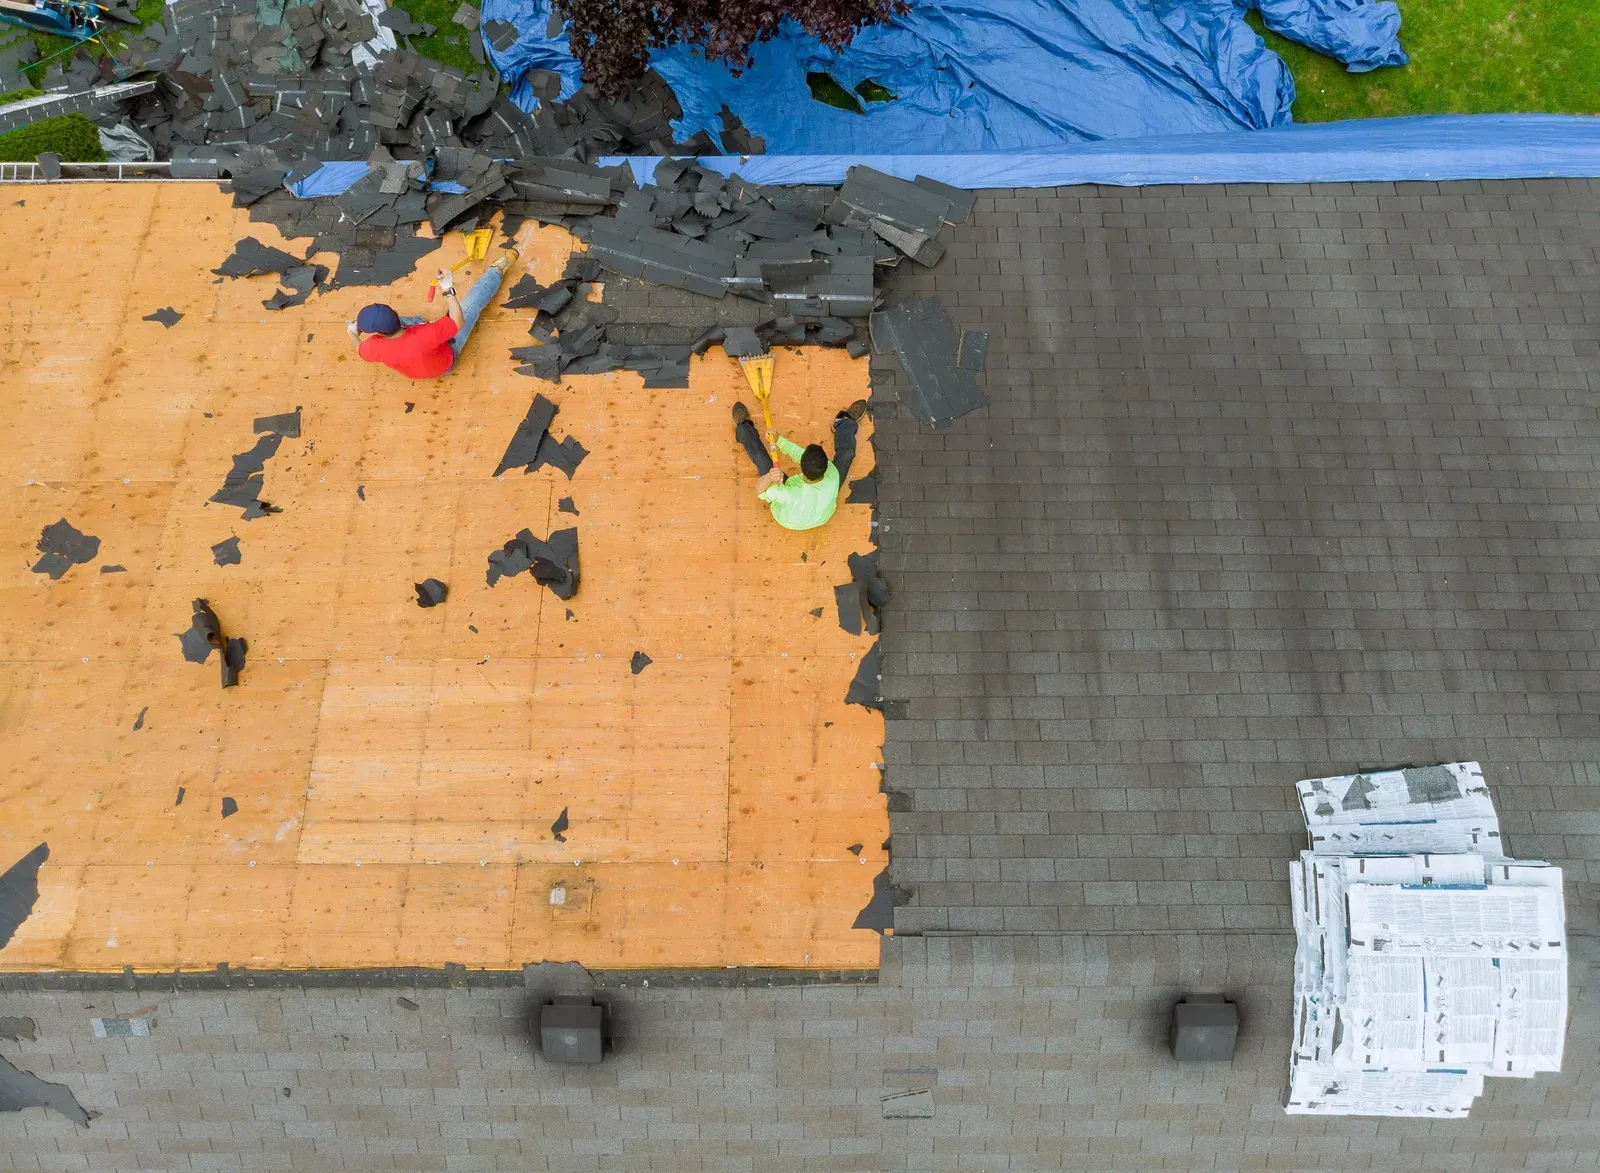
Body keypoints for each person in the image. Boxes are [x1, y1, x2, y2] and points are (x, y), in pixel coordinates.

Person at [349, 242, 519, 378]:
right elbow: (458, 322)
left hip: (419, 369)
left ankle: (418, 321)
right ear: (394, 314)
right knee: (469, 309)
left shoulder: (375, 347)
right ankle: (496, 270)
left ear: (379, 334)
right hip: (445, 361)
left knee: (422, 325)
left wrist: (351, 332)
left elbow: (359, 349)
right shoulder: (427, 335)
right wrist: (448, 289)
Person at [732, 399, 869, 531]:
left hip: (787, 520)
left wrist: (769, 477)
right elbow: (800, 454)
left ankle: (744, 428)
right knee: (847, 453)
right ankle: (845, 422)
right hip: (822, 517)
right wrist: (779, 440)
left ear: (801, 469)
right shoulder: (833, 475)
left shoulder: (785, 494)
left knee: (761, 458)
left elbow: (759, 491)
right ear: (826, 466)